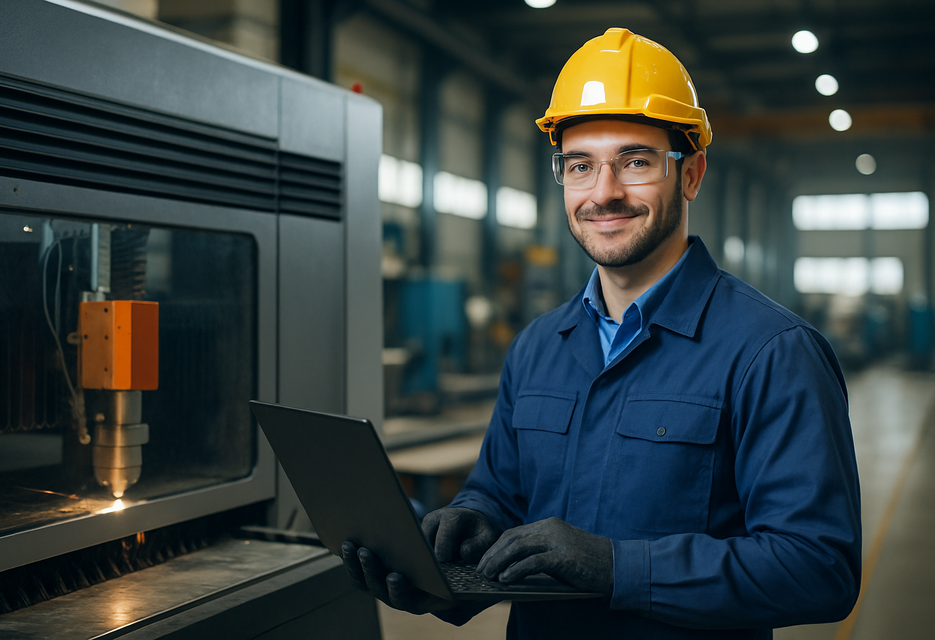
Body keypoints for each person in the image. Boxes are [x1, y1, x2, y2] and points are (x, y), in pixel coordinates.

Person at [341, 27, 861, 639]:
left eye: (635, 161)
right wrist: (461, 537)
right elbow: (499, 496)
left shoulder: (771, 352)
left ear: (689, 174)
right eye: (580, 166)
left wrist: (617, 568)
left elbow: (818, 567)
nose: (603, 193)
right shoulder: (538, 346)